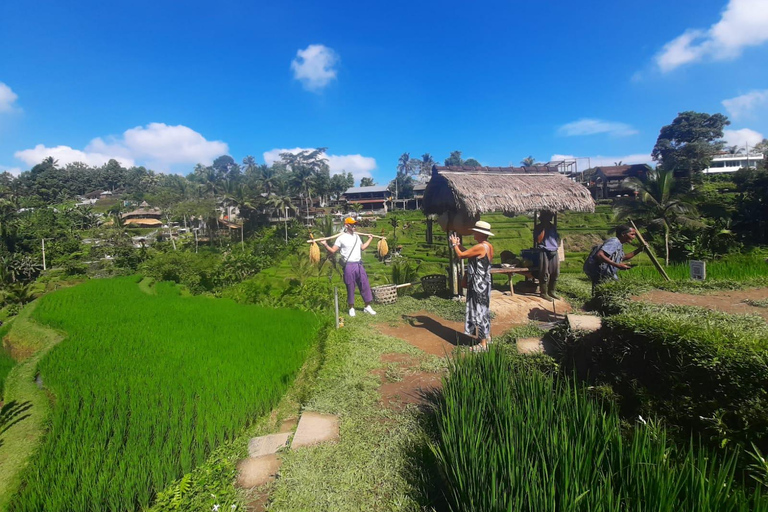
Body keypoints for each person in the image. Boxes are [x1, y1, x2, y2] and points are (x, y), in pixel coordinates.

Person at [449, 220, 495, 352]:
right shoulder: (487, 246)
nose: (473, 233)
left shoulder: (481, 247)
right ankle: (486, 337)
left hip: (478, 285)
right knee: (484, 311)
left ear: (480, 233)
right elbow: (469, 253)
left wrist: (454, 245)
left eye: (475, 231)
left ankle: (483, 344)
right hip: (484, 283)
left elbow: (461, 255)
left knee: (480, 312)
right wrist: (458, 245)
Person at [321, 217, 376, 317]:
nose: (354, 226)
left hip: (359, 264)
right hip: (349, 265)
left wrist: (370, 239)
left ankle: (367, 306)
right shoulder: (341, 238)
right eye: (352, 224)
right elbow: (333, 250)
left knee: (364, 284)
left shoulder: (357, 237)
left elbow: (362, 247)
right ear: (346, 225)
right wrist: (325, 244)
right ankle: (351, 308)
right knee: (350, 286)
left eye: (355, 224)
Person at [584, 224, 645, 293]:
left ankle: (594, 303)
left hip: (607, 274)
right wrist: (617, 265)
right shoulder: (614, 242)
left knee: (605, 292)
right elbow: (600, 255)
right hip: (601, 273)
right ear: (623, 234)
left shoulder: (619, 244)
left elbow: (622, 257)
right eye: (632, 234)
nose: (634, 237)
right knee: (604, 293)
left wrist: (639, 250)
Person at [534, 210, 560, 300]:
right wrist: (543, 228)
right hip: (544, 250)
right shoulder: (538, 227)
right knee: (544, 272)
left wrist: (557, 246)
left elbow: (557, 237)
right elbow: (538, 240)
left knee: (555, 272)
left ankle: (552, 291)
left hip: (554, 250)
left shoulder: (553, 227)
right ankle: (543, 293)